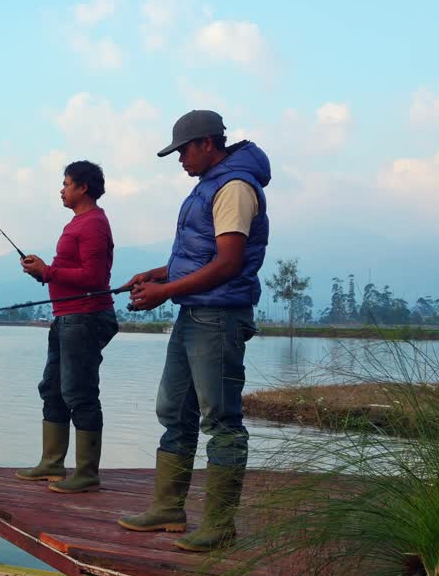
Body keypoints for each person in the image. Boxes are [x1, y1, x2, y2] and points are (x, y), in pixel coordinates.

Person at [116, 109, 269, 551]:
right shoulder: (209, 186)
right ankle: (168, 509)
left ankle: (219, 527)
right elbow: (201, 256)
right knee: (173, 410)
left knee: (221, 420)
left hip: (218, 318)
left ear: (207, 143)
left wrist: (165, 292)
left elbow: (227, 263)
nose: (180, 159)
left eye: (183, 150)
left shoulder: (235, 188)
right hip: (194, 314)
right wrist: (158, 274)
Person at [16, 160, 119, 493]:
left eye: (66, 183)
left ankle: (87, 472)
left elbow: (94, 278)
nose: (62, 189)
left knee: (79, 392)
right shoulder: (78, 223)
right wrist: (43, 271)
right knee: (52, 389)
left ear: (83, 188)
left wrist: (48, 272)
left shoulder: (92, 225)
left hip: (84, 318)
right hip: (66, 317)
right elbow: (67, 272)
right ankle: (52, 464)